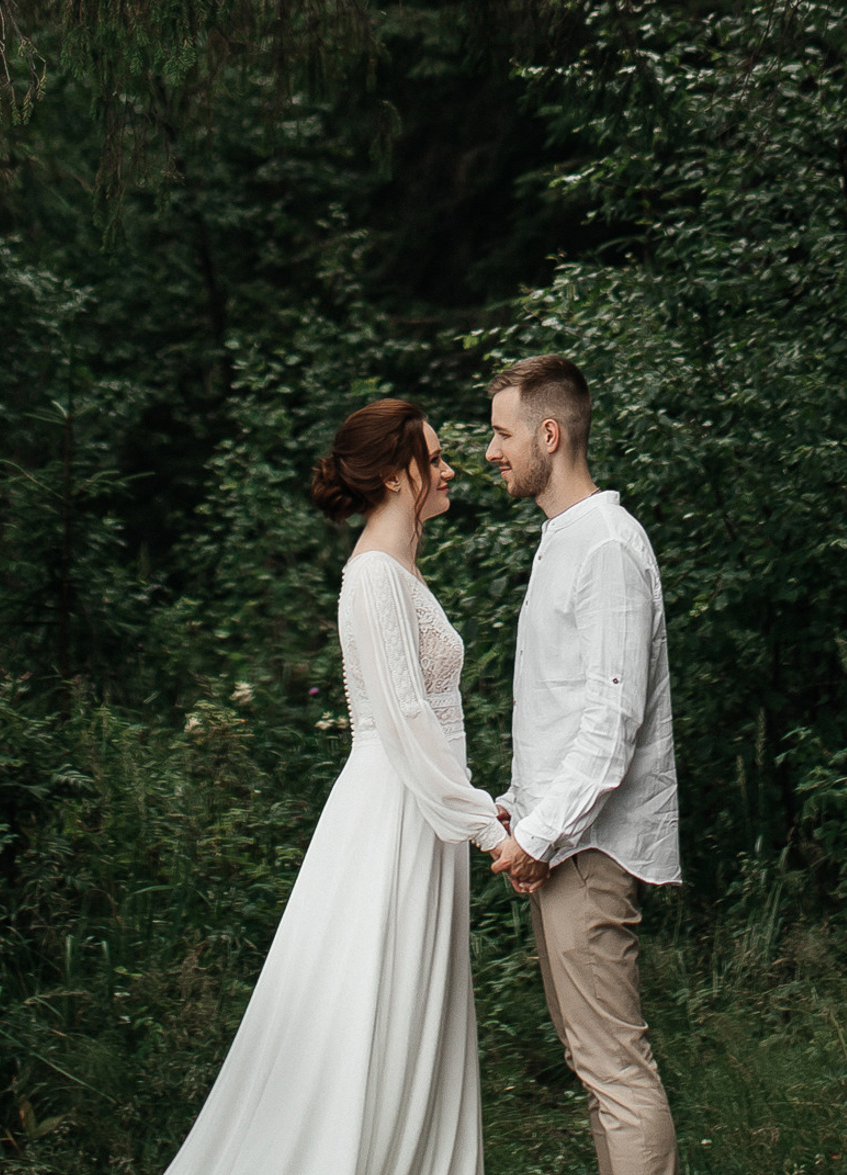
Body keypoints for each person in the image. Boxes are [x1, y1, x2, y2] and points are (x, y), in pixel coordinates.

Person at [163, 397, 507, 1175]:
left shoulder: (398, 569)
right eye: (436, 456)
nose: (451, 468)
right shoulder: (375, 577)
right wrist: (486, 824)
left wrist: (479, 808)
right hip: (396, 817)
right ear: (394, 474)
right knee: (377, 1006)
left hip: (427, 813)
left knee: (414, 1011)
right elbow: (408, 721)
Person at [484, 353, 682, 1175]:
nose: (491, 450)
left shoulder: (604, 544)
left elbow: (611, 723)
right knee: (597, 1070)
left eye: (502, 433)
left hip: (588, 852)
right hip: (564, 844)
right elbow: (565, 711)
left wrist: (538, 835)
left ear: (550, 433)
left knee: (615, 1074)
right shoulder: (566, 539)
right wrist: (514, 810)